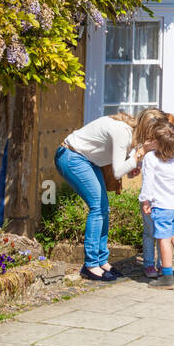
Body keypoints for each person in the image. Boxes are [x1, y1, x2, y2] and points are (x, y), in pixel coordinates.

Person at [54, 111, 142, 282]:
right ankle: (90, 265)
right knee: (97, 207)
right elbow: (117, 172)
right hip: (71, 156)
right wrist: (136, 158)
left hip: (87, 160)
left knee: (104, 208)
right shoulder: (122, 131)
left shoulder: (131, 134)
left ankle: (101, 261)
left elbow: (123, 167)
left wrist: (133, 164)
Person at [139, 114, 174, 289]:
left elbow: (148, 182)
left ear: (158, 143)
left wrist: (145, 201)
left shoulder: (151, 159)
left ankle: (167, 276)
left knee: (163, 240)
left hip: (162, 206)